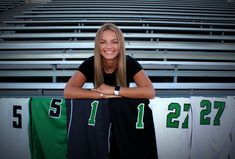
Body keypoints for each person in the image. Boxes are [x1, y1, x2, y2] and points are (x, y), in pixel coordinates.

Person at [64, 23, 155, 99]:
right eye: (103, 42)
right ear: (98, 46)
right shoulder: (91, 62)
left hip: (122, 110)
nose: (109, 46)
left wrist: (114, 90)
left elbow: (150, 92)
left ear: (120, 45)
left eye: (114, 42)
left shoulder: (129, 62)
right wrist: (102, 95)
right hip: (99, 111)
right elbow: (68, 91)